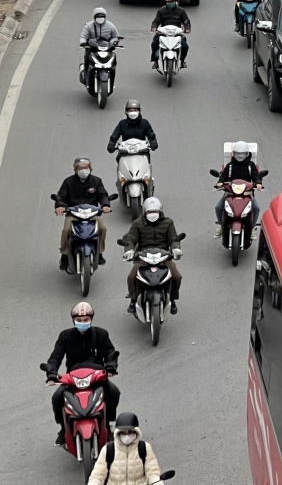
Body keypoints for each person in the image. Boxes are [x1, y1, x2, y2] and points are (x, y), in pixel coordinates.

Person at [45, 302, 120, 443]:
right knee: (57, 398)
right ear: (73, 320)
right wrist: (51, 373)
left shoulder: (101, 334)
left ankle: (108, 425)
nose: (82, 322)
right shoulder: (65, 336)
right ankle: (63, 429)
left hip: (97, 376)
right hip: (73, 378)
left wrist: (111, 366)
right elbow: (55, 357)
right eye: (79, 320)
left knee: (114, 393)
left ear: (91, 319)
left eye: (86, 320)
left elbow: (110, 353)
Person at [121, 197, 182, 315]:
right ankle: (133, 300)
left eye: (155, 212)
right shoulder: (137, 223)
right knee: (132, 277)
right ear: (144, 212)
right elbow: (131, 238)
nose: (152, 214)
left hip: (164, 255)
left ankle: (173, 299)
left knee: (176, 276)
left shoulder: (168, 223)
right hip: (143, 256)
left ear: (161, 211)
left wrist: (176, 248)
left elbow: (173, 238)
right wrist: (129, 250)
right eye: (149, 212)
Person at [56, 158, 112, 270]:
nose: (83, 170)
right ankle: (64, 255)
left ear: (90, 168)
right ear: (75, 169)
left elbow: (103, 195)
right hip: (73, 213)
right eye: (80, 168)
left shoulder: (96, 181)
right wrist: (60, 206)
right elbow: (61, 197)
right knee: (66, 230)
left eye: (85, 167)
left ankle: (100, 252)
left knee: (102, 228)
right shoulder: (68, 182)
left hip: (92, 213)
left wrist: (105, 205)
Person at [86, 412, 162, 485]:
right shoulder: (108, 450)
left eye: (130, 432)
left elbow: (152, 472)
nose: (127, 436)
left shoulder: (144, 448)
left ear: (136, 432)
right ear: (118, 433)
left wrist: (157, 482)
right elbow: (98, 476)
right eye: (123, 433)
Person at [215, 140, 263, 238]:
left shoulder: (250, 166)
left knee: (255, 208)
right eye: (237, 153)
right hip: (230, 193)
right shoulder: (230, 166)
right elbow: (223, 176)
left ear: (246, 154)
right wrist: (220, 182)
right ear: (234, 154)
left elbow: (255, 176)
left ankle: (252, 228)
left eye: (242, 154)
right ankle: (221, 224)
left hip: (247, 193)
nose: (240, 156)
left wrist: (258, 183)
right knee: (219, 207)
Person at [80, 7, 120, 84]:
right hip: (92, 48)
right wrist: (83, 43)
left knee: (113, 61)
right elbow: (83, 36)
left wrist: (112, 43)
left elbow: (115, 36)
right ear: (94, 17)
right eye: (98, 17)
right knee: (87, 60)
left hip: (106, 48)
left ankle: (111, 77)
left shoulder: (110, 26)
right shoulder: (89, 26)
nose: (100, 18)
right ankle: (86, 76)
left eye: (102, 16)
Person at [149, 0, 189, 70]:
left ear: (176, 2)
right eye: (169, 2)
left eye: (172, 1)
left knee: (185, 46)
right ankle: (156, 61)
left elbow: (186, 21)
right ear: (166, 2)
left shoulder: (181, 11)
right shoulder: (161, 11)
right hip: (163, 32)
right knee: (154, 43)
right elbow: (156, 20)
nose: (170, 3)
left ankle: (182, 61)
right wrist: (154, 27)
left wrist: (187, 28)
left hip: (176, 33)